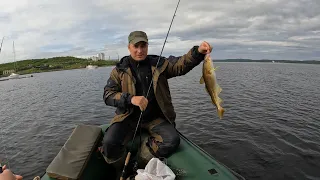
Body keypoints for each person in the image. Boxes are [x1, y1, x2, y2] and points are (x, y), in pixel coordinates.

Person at [101, 30, 212, 177]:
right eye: (136, 46)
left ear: (147, 46)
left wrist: (198, 52)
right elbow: (108, 95)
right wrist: (130, 99)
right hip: (128, 117)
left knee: (172, 140)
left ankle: (138, 162)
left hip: (155, 118)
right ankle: (120, 167)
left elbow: (180, 65)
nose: (140, 50)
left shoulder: (159, 64)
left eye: (143, 46)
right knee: (109, 143)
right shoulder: (119, 70)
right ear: (129, 47)